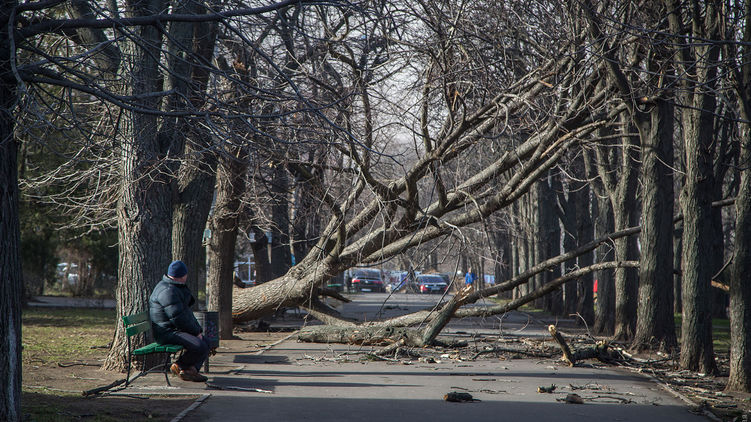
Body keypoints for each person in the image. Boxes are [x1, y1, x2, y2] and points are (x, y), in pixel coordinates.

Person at [149, 260, 209, 382]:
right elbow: (178, 318)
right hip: (166, 333)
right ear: (182, 275)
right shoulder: (168, 291)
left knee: (206, 342)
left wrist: (197, 331)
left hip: (172, 329)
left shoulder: (173, 287)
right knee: (200, 345)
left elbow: (185, 315)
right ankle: (179, 365)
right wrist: (196, 333)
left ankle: (190, 371)